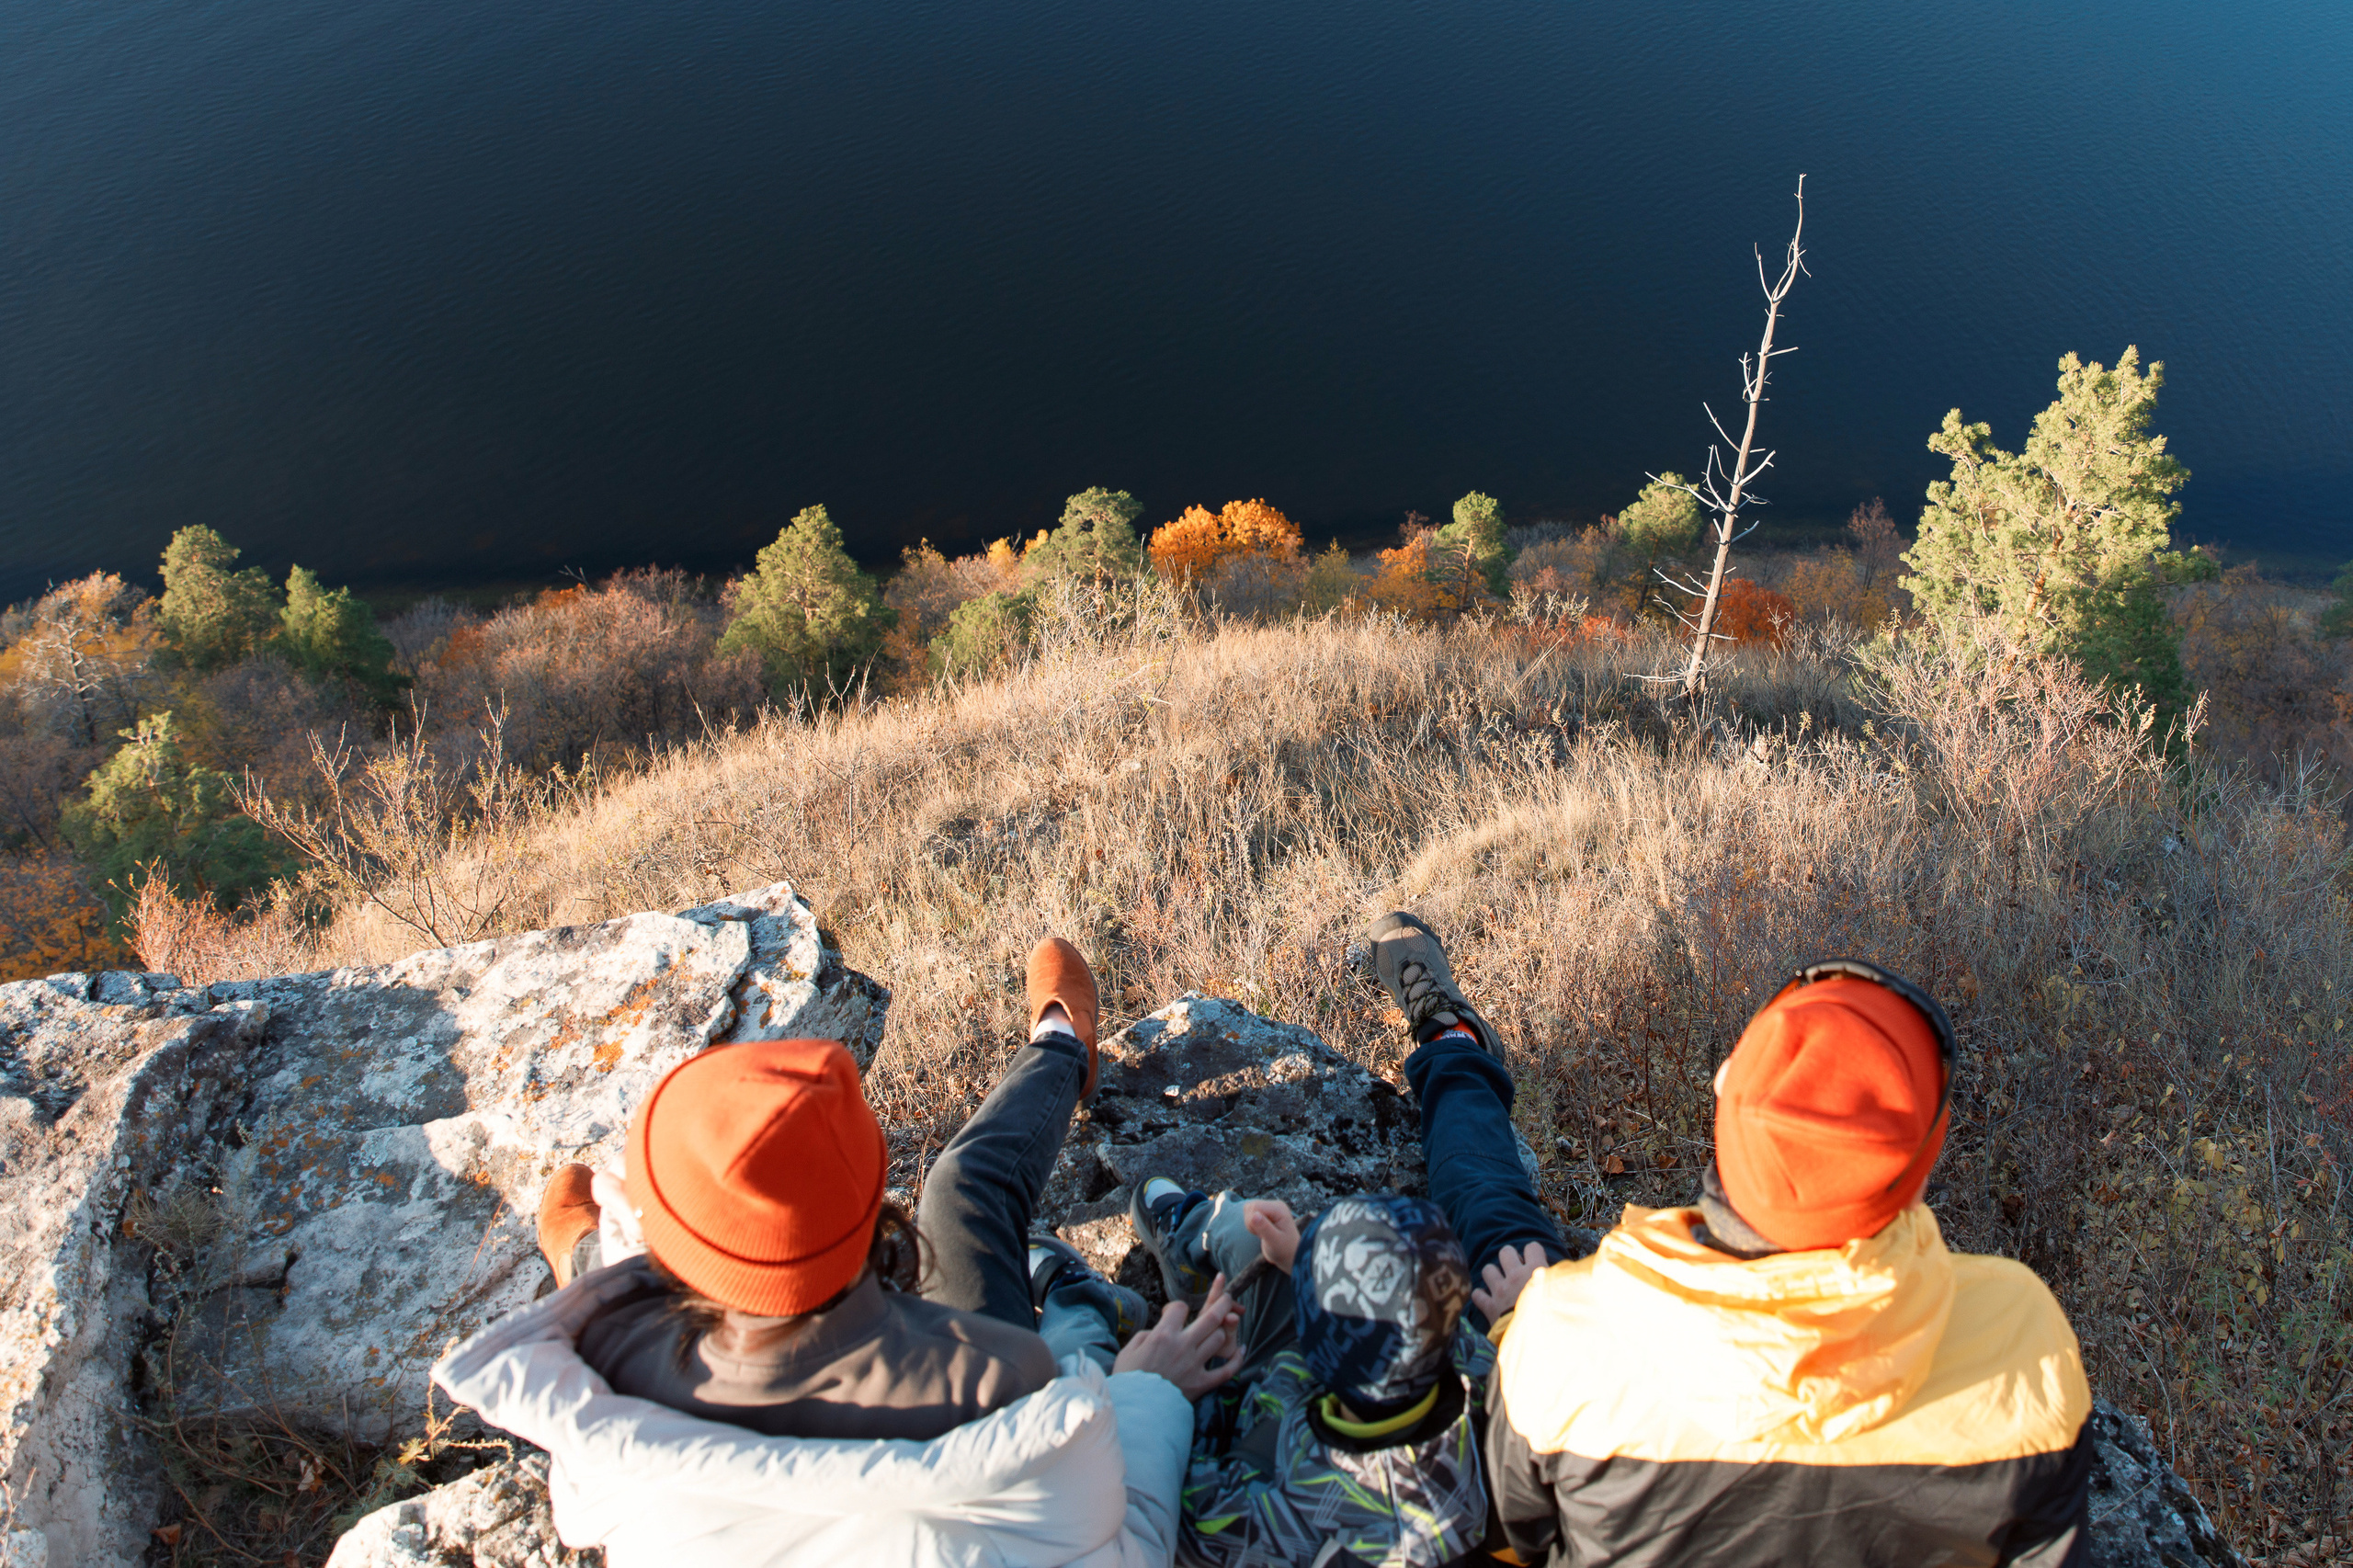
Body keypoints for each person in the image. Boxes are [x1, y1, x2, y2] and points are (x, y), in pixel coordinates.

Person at [430, 937, 1243, 1567]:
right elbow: (1121, 1548)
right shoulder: (1006, 1384)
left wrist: (618, 1253)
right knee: (963, 1187)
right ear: (869, 1216)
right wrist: (1147, 1394)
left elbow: (662, 1301)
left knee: (607, 1275)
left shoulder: (601, 1397)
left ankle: (581, 1254)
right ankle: (1062, 1045)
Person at [1474, 952, 2095, 1568]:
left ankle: (1453, 1047)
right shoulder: (2023, 1336)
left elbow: (1507, 1538)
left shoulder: (1559, 1333)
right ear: (1919, 1173)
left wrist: (1513, 1328)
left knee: (1502, 1220)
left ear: (1724, 1092)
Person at [1127, 1183, 1496, 1568]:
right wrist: (1300, 1257)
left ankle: (1160, 1259)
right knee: (1260, 1243)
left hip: (1255, 1438)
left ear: (1311, 1347)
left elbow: (1168, 1507)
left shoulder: (1263, 1517)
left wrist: (1165, 1387)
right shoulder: (1480, 1373)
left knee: (1248, 1244)